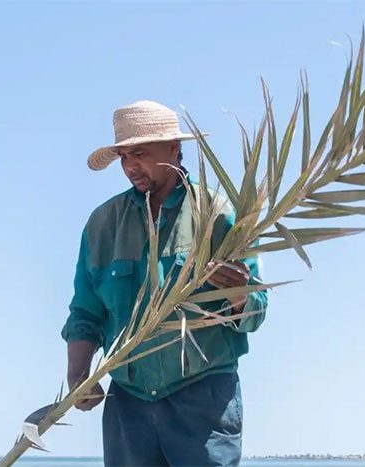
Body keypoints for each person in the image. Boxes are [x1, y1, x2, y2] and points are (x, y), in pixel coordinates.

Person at [61, 100, 268, 466]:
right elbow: (85, 311)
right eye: (123, 157)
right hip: (128, 403)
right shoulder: (102, 224)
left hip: (202, 399)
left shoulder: (217, 214)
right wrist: (78, 375)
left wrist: (238, 294)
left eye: (138, 154)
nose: (130, 166)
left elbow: (255, 312)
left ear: (173, 148)